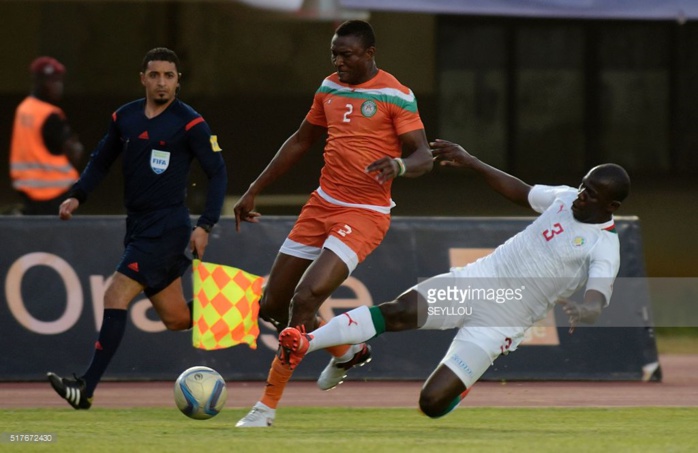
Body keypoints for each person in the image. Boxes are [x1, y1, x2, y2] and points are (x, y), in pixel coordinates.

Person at [277, 139, 631, 419]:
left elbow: (598, 298)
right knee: (398, 311)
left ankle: (460, 388)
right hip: (479, 279)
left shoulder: (604, 246)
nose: (582, 195)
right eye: (584, 186)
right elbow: (520, 191)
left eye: (592, 194)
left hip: (505, 319)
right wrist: (472, 161)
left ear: (611, 206)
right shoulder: (565, 197)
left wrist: (586, 312)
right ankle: (308, 341)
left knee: (430, 404)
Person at [233, 20, 433, 427]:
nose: (338, 62)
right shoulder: (328, 87)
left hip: (364, 214)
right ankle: (347, 352)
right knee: (273, 305)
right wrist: (253, 188)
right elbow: (300, 140)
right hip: (321, 205)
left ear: (370, 54)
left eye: (346, 55)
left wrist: (398, 164)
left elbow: (424, 157)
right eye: (334, 54)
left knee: (305, 299)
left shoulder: (397, 94)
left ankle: (265, 408)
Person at [47, 47, 227, 410]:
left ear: (178, 81)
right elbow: (101, 160)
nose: (162, 82)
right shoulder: (124, 117)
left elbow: (217, 172)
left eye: (169, 76)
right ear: (143, 78)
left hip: (167, 226)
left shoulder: (190, 122)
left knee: (114, 295)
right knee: (177, 319)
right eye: (155, 75)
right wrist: (77, 195)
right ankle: (256, 304)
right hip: (139, 225)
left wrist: (205, 224)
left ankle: (86, 388)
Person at [9, 56, 84, 215]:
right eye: (53, 81)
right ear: (39, 82)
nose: (59, 86)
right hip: (56, 191)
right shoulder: (50, 115)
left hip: (28, 190)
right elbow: (73, 151)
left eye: (59, 81)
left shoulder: (23, 109)